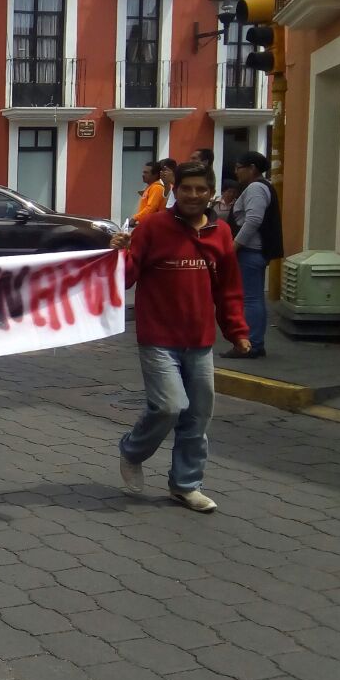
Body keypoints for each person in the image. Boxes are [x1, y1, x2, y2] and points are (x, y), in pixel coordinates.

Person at [110, 161, 249, 513]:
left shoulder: (220, 234)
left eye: (201, 189)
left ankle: (186, 485)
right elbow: (126, 278)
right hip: (158, 338)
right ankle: (132, 451)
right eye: (186, 188)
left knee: (198, 415)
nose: (193, 195)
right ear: (176, 190)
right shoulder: (154, 227)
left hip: (200, 340)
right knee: (171, 406)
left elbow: (229, 289)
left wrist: (237, 331)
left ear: (211, 193)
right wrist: (119, 252)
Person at [227, 151, 284, 360]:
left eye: (238, 167)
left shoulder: (256, 188)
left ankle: (251, 342)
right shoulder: (260, 187)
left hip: (250, 251)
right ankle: (254, 342)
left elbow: (252, 220)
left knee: (251, 298)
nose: (236, 172)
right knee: (253, 297)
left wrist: (234, 245)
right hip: (254, 251)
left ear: (251, 168)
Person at [133, 161, 167, 226]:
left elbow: (151, 208)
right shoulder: (150, 187)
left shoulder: (157, 188)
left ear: (155, 175)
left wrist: (135, 218)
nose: (143, 175)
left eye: (146, 173)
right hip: (148, 225)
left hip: (155, 226)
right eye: (143, 172)